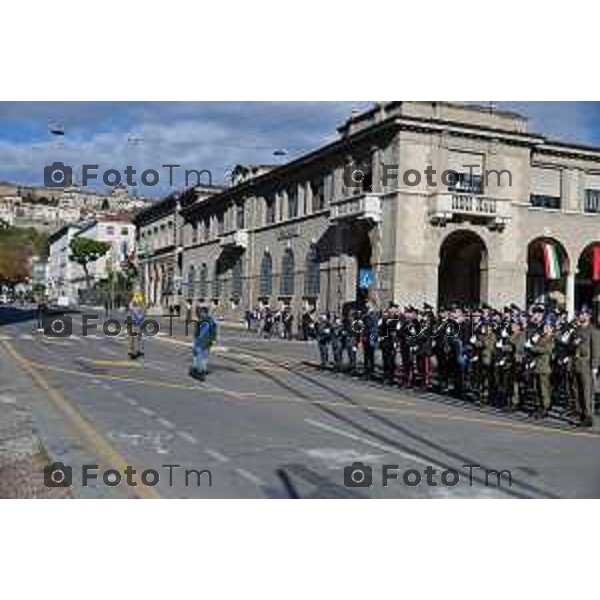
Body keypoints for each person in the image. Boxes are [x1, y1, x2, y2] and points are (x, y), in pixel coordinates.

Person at [572, 307, 600, 427]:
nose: (581, 316)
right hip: (577, 363)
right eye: (580, 314)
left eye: (583, 314)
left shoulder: (593, 331)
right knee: (578, 390)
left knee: (587, 391)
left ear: (588, 316)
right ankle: (582, 413)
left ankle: (589, 416)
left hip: (587, 364)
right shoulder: (577, 330)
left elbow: (596, 350)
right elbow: (573, 346)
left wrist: (594, 366)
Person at [190, 305, 217, 381]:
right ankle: (202, 369)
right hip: (206, 341)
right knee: (203, 356)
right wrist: (213, 340)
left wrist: (197, 340)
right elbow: (213, 331)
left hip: (202, 341)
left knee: (199, 356)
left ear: (204, 313)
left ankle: (199, 371)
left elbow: (201, 332)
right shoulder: (209, 320)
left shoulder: (204, 321)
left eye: (201, 312)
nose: (200, 314)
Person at [127, 291, 146, 359]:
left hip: (137, 322)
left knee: (136, 337)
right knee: (134, 337)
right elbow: (141, 313)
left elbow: (143, 312)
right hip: (134, 322)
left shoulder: (138, 305)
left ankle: (135, 351)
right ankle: (132, 352)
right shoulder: (132, 305)